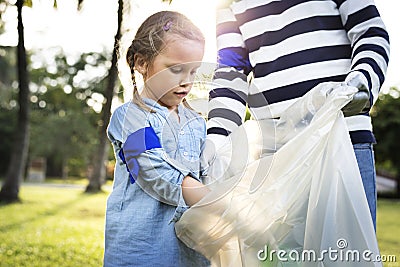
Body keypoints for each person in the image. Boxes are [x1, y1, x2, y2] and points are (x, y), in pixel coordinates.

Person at [207, 0, 390, 230]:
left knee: (348, 253)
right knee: (282, 258)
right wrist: (217, 138)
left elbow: (370, 33)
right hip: (277, 153)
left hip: (344, 135)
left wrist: (363, 79)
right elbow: (230, 74)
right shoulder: (229, 4)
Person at [103, 11, 210, 267]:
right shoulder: (131, 118)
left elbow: (209, 173)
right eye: (175, 70)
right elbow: (156, 172)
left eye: (194, 71)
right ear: (141, 62)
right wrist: (218, 202)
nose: (187, 82)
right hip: (140, 254)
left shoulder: (197, 124)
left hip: (190, 256)